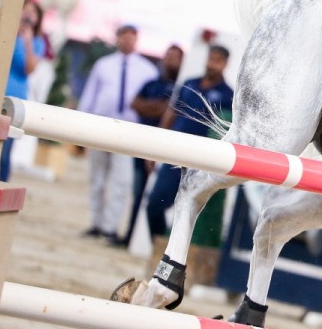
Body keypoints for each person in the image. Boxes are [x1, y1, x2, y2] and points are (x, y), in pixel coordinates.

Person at [77, 24, 158, 244]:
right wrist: (81, 127)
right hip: (100, 125)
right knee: (97, 178)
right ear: (118, 38)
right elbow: (90, 94)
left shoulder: (147, 70)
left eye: (131, 37)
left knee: (121, 181)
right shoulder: (103, 65)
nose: (127, 41)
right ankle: (96, 223)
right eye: (124, 37)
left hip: (129, 130)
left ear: (136, 40)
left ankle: (110, 228)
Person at [145, 45, 234, 239]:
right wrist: (154, 147)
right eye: (211, 59)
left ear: (225, 64)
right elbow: (171, 113)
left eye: (217, 61)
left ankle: (173, 249)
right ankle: (158, 244)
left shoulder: (228, 96)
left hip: (201, 161)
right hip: (175, 155)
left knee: (188, 212)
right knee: (154, 204)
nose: (212, 64)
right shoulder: (189, 83)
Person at [123, 43, 183, 245]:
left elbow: (167, 110)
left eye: (175, 57)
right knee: (137, 192)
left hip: (163, 147)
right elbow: (134, 103)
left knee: (153, 195)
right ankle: (130, 235)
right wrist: (156, 108)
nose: (170, 61)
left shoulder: (180, 88)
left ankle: (150, 240)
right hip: (142, 143)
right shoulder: (151, 83)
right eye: (168, 56)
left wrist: (150, 107)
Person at [0, 0, 50, 181]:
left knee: (4, 151)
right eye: (25, 9)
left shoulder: (38, 42)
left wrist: (27, 42)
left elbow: (29, 68)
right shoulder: (7, 32)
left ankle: (0, 184)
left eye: (33, 12)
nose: (28, 14)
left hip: (15, 99)